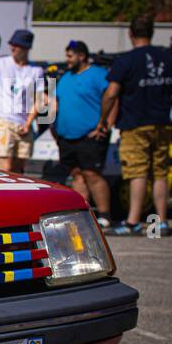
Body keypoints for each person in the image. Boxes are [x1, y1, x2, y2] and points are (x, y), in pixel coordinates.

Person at [101, 14, 172, 236]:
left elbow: (111, 94)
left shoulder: (126, 61)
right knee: (159, 173)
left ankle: (133, 222)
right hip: (162, 123)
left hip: (135, 124)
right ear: (152, 32)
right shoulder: (168, 58)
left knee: (137, 172)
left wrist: (103, 119)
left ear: (130, 34)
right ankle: (161, 223)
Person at [52, 39, 113, 227]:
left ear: (82, 56)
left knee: (92, 174)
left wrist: (106, 123)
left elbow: (112, 97)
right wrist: (54, 129)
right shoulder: (65, 77)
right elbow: (57, 103)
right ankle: (82, 215)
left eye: (70, 56)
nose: (67, 60)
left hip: (90, 135)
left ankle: (105, 215)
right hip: (66, 136)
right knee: (77, 174)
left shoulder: (98, 75)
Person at [0, 28, 44, 174]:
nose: (12, 48)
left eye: (17, 45)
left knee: (19, 170)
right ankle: (2, 197)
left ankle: (16, 197)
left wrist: (29, 122)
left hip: (24, 123)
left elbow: (39, 99)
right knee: (6, 169)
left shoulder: (36, 70)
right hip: (3, 121)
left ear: (26, 48)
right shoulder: (0, 63)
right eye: (11, 44)